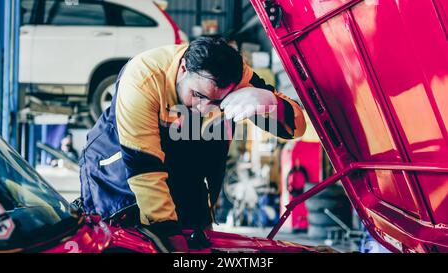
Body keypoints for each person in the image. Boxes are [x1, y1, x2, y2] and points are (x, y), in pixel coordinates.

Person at [79, 37, 306, 252]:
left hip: (181, 161)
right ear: (184, 69)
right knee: (129, 241)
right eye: (197, 95)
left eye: (217, 101)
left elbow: (297, 127)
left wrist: (271, 103)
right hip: (119, 168)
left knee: (198, 238)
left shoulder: (237, 76)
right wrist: (168, 235)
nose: (205, 108)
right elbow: (144, 169)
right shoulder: (142, 79)